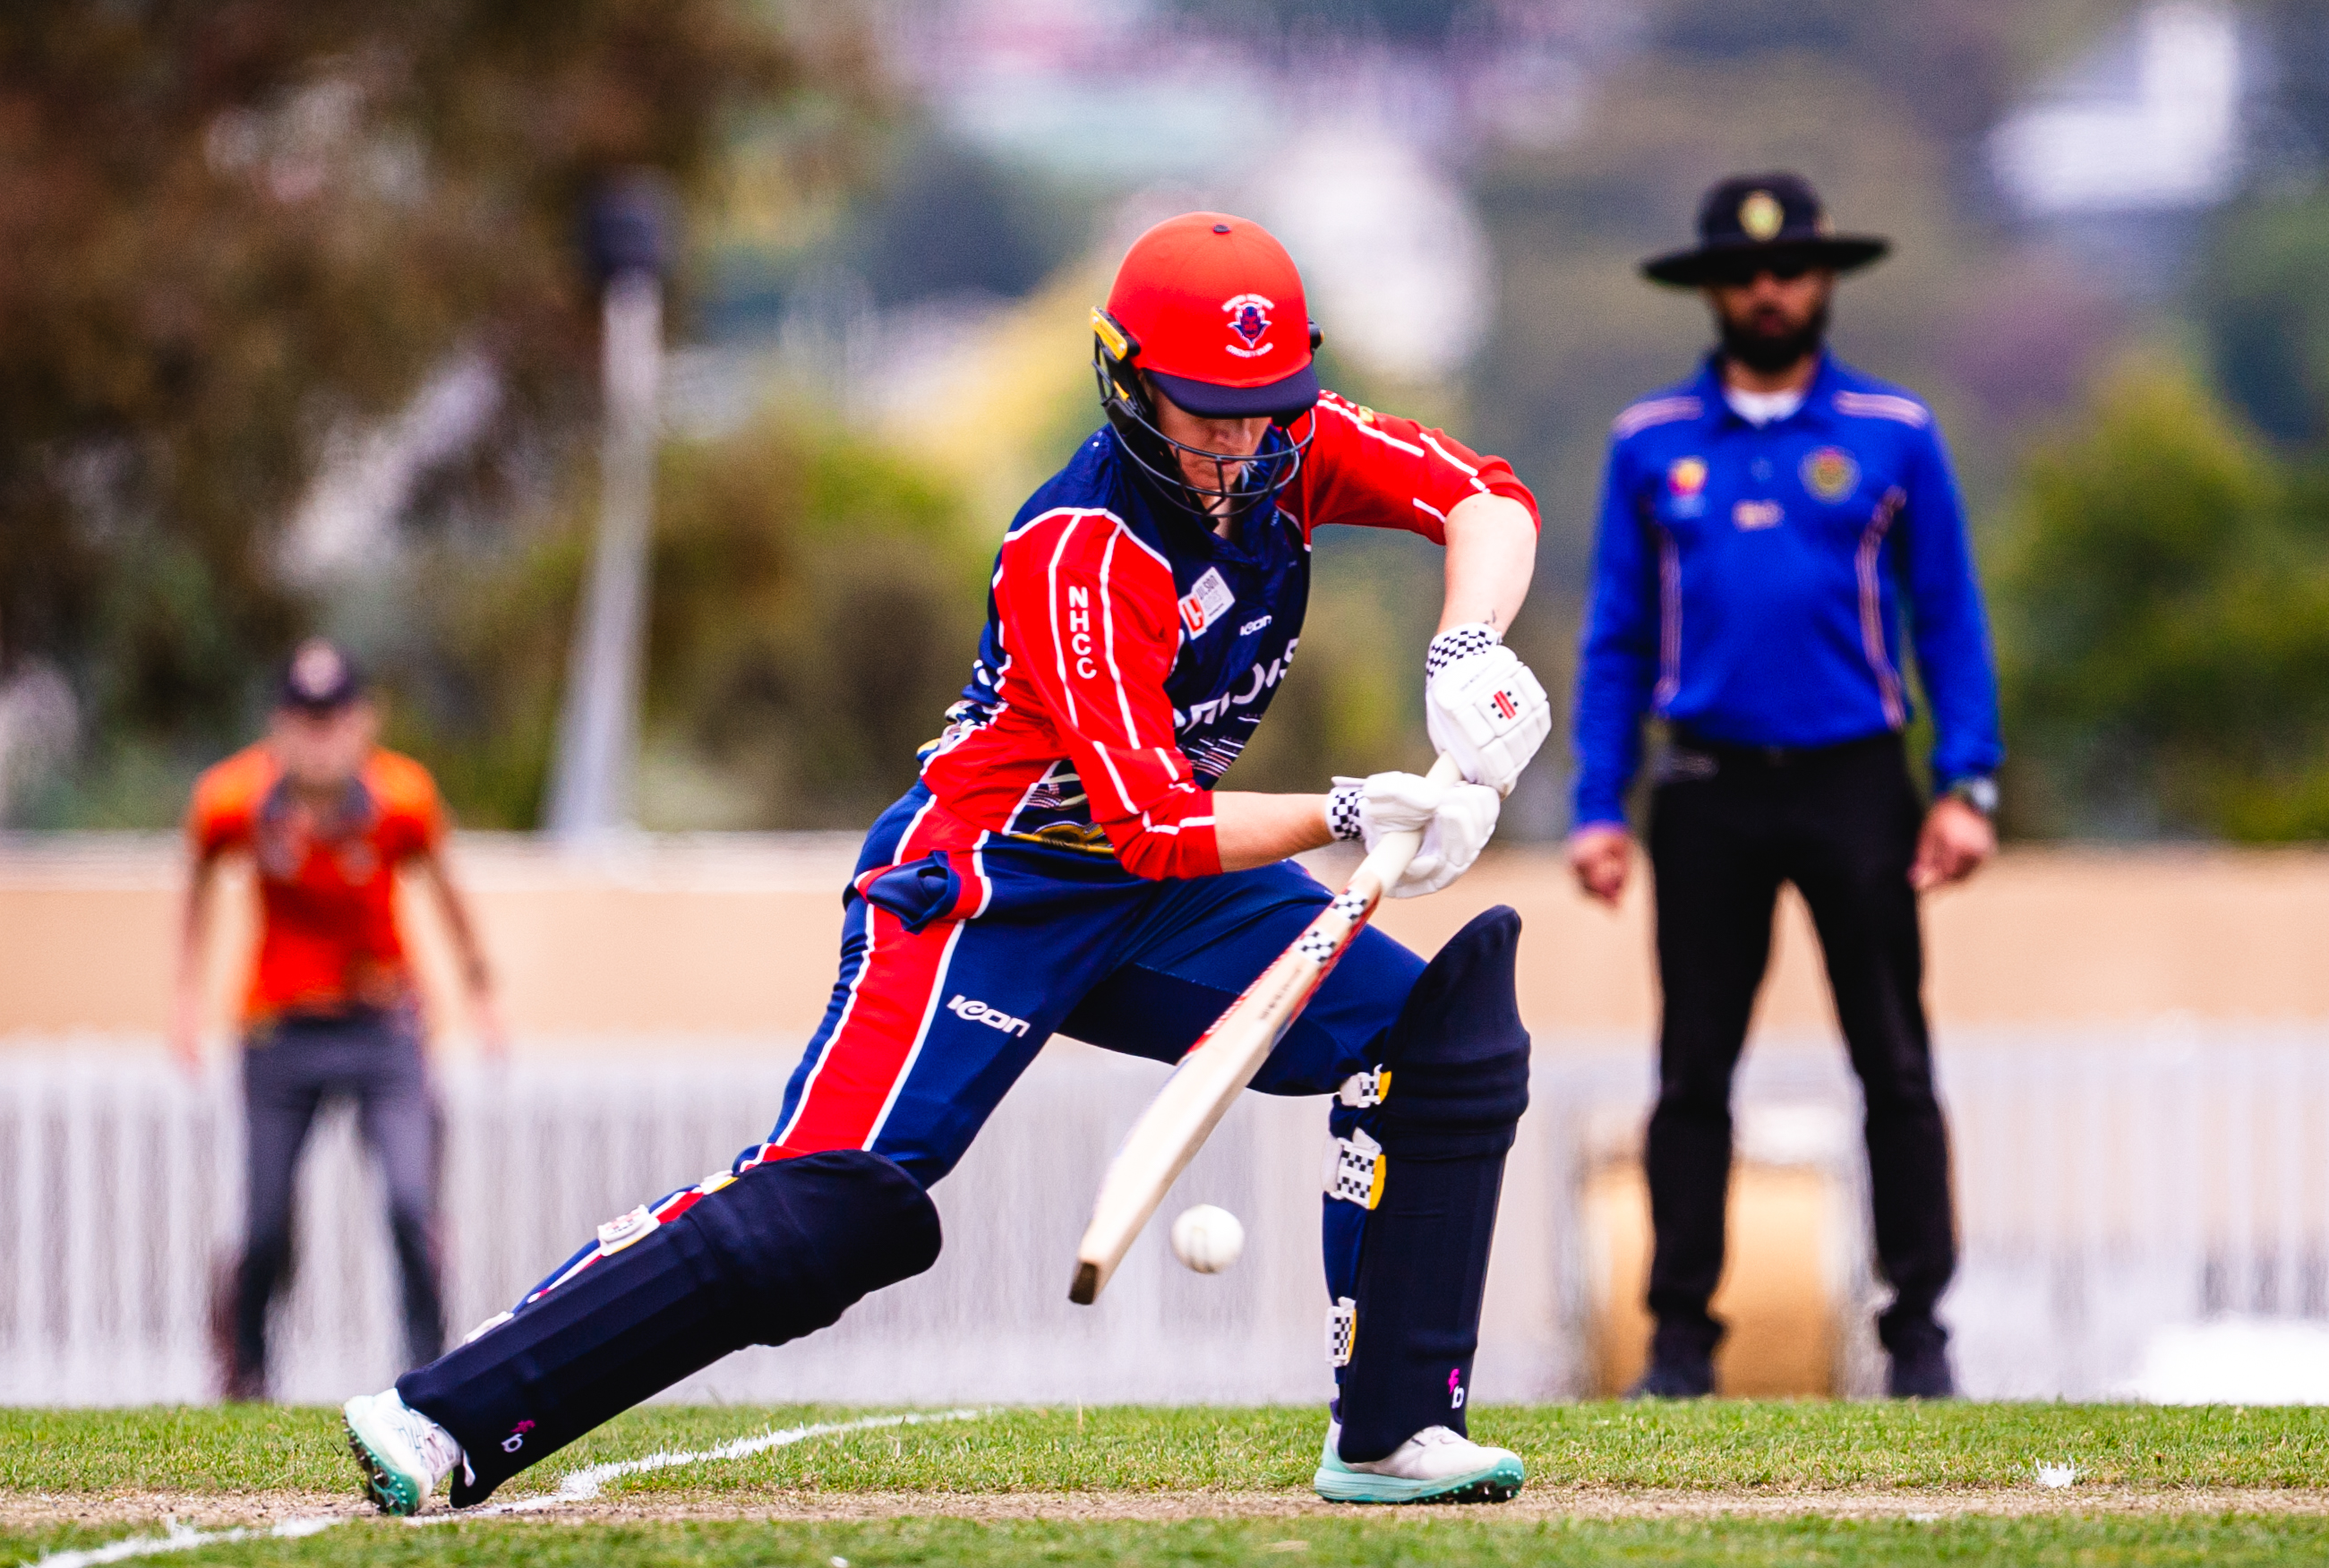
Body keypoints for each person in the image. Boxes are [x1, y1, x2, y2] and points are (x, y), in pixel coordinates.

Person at [339, 211, 1554, 1512]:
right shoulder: (1079, 550)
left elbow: (1483, 497)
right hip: (990, 884)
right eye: (1206, 412)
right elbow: (1150, 817)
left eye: (1265, 409)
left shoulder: (1285, 447)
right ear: (1130, 382)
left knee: (1439, 1037)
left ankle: (1388, 1432)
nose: (1239, 443)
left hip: (1165, 894)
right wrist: (1353, 809)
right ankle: (443, 1411)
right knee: (827, 1212)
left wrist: (1462, 653)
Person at [1567, 174, 2003, 1400]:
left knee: (1893, 1061)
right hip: (1702, 786)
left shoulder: (1890, 429)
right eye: (1744, 273)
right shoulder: (1648, 442)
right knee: (1691, 1070)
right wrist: (1596, 804)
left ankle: (1915, 1331)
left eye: (1788, 269)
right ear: (1711, 289)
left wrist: (1964, 780)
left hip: (1855, 779)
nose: (1767, 289)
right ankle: (1675, 1339)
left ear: (1819, 280)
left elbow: (1946, 615)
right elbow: (1616, 634)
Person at [175, 638, 502, 1401]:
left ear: (364, 722)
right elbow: (195, 884)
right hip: (280, 1031)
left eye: (334, 718)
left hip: (382, 1025)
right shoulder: (232, 799)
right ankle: (245, 1375)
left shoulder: (401, 797)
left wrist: (480, 991)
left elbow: (445, 892)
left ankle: (430, 1380)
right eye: (303, 718)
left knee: (410, 1202)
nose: (319, 737)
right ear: (278, 725)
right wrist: (186, 996)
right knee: (262, 1223)